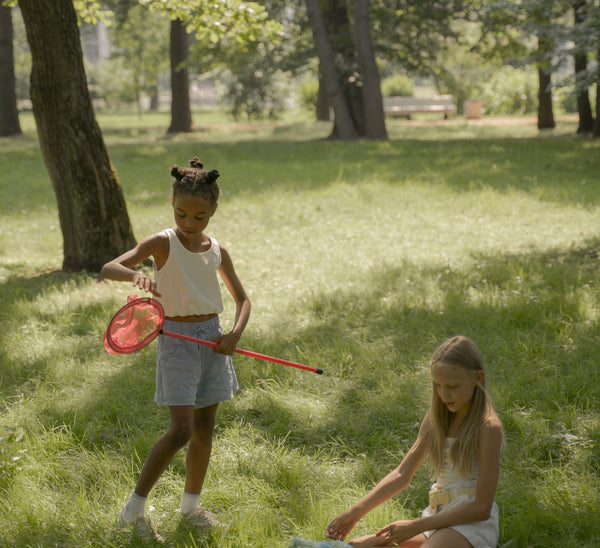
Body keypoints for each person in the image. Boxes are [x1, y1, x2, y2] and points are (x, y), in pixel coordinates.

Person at [101, 157, 251, 541]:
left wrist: (233, 335)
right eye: (182, 213)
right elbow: (110, 266)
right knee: (181, 429)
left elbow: (243, 299)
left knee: (204, 429)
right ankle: (132, 510)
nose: (189, 223)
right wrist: (136, 274)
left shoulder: (217, 249)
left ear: (213, 210)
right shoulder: (162, 242)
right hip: (177, 343)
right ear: (173, 205)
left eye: (199, 217)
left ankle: (191, 509)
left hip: (213, 340)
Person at [325, 336, 504, 548]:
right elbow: (402, 474)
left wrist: (417, 525)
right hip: (438, 518)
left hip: (470, 525)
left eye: (452, 386)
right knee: (358, 545)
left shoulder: (488, 428)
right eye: (437, 385)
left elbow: (481, 508)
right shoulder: (436, 418)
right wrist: (355, 512)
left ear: (478, 378)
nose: (444, 394)